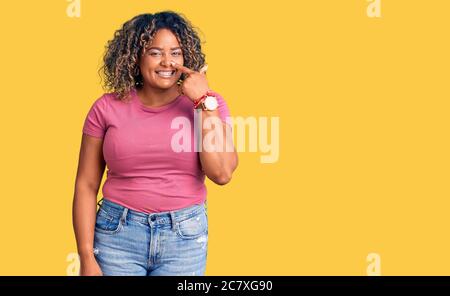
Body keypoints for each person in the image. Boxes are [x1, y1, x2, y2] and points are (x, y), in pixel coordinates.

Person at [72, 11, 238, 276]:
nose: (167, 62)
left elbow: (222, 173)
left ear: (187, 58)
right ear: (135, 58)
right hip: (117, 236)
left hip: (184, 238)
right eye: (155, 52)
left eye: (176, 53)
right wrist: (85, 256)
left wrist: (203, 103)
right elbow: (86, 184)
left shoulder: (209, 104)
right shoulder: (106, 108)